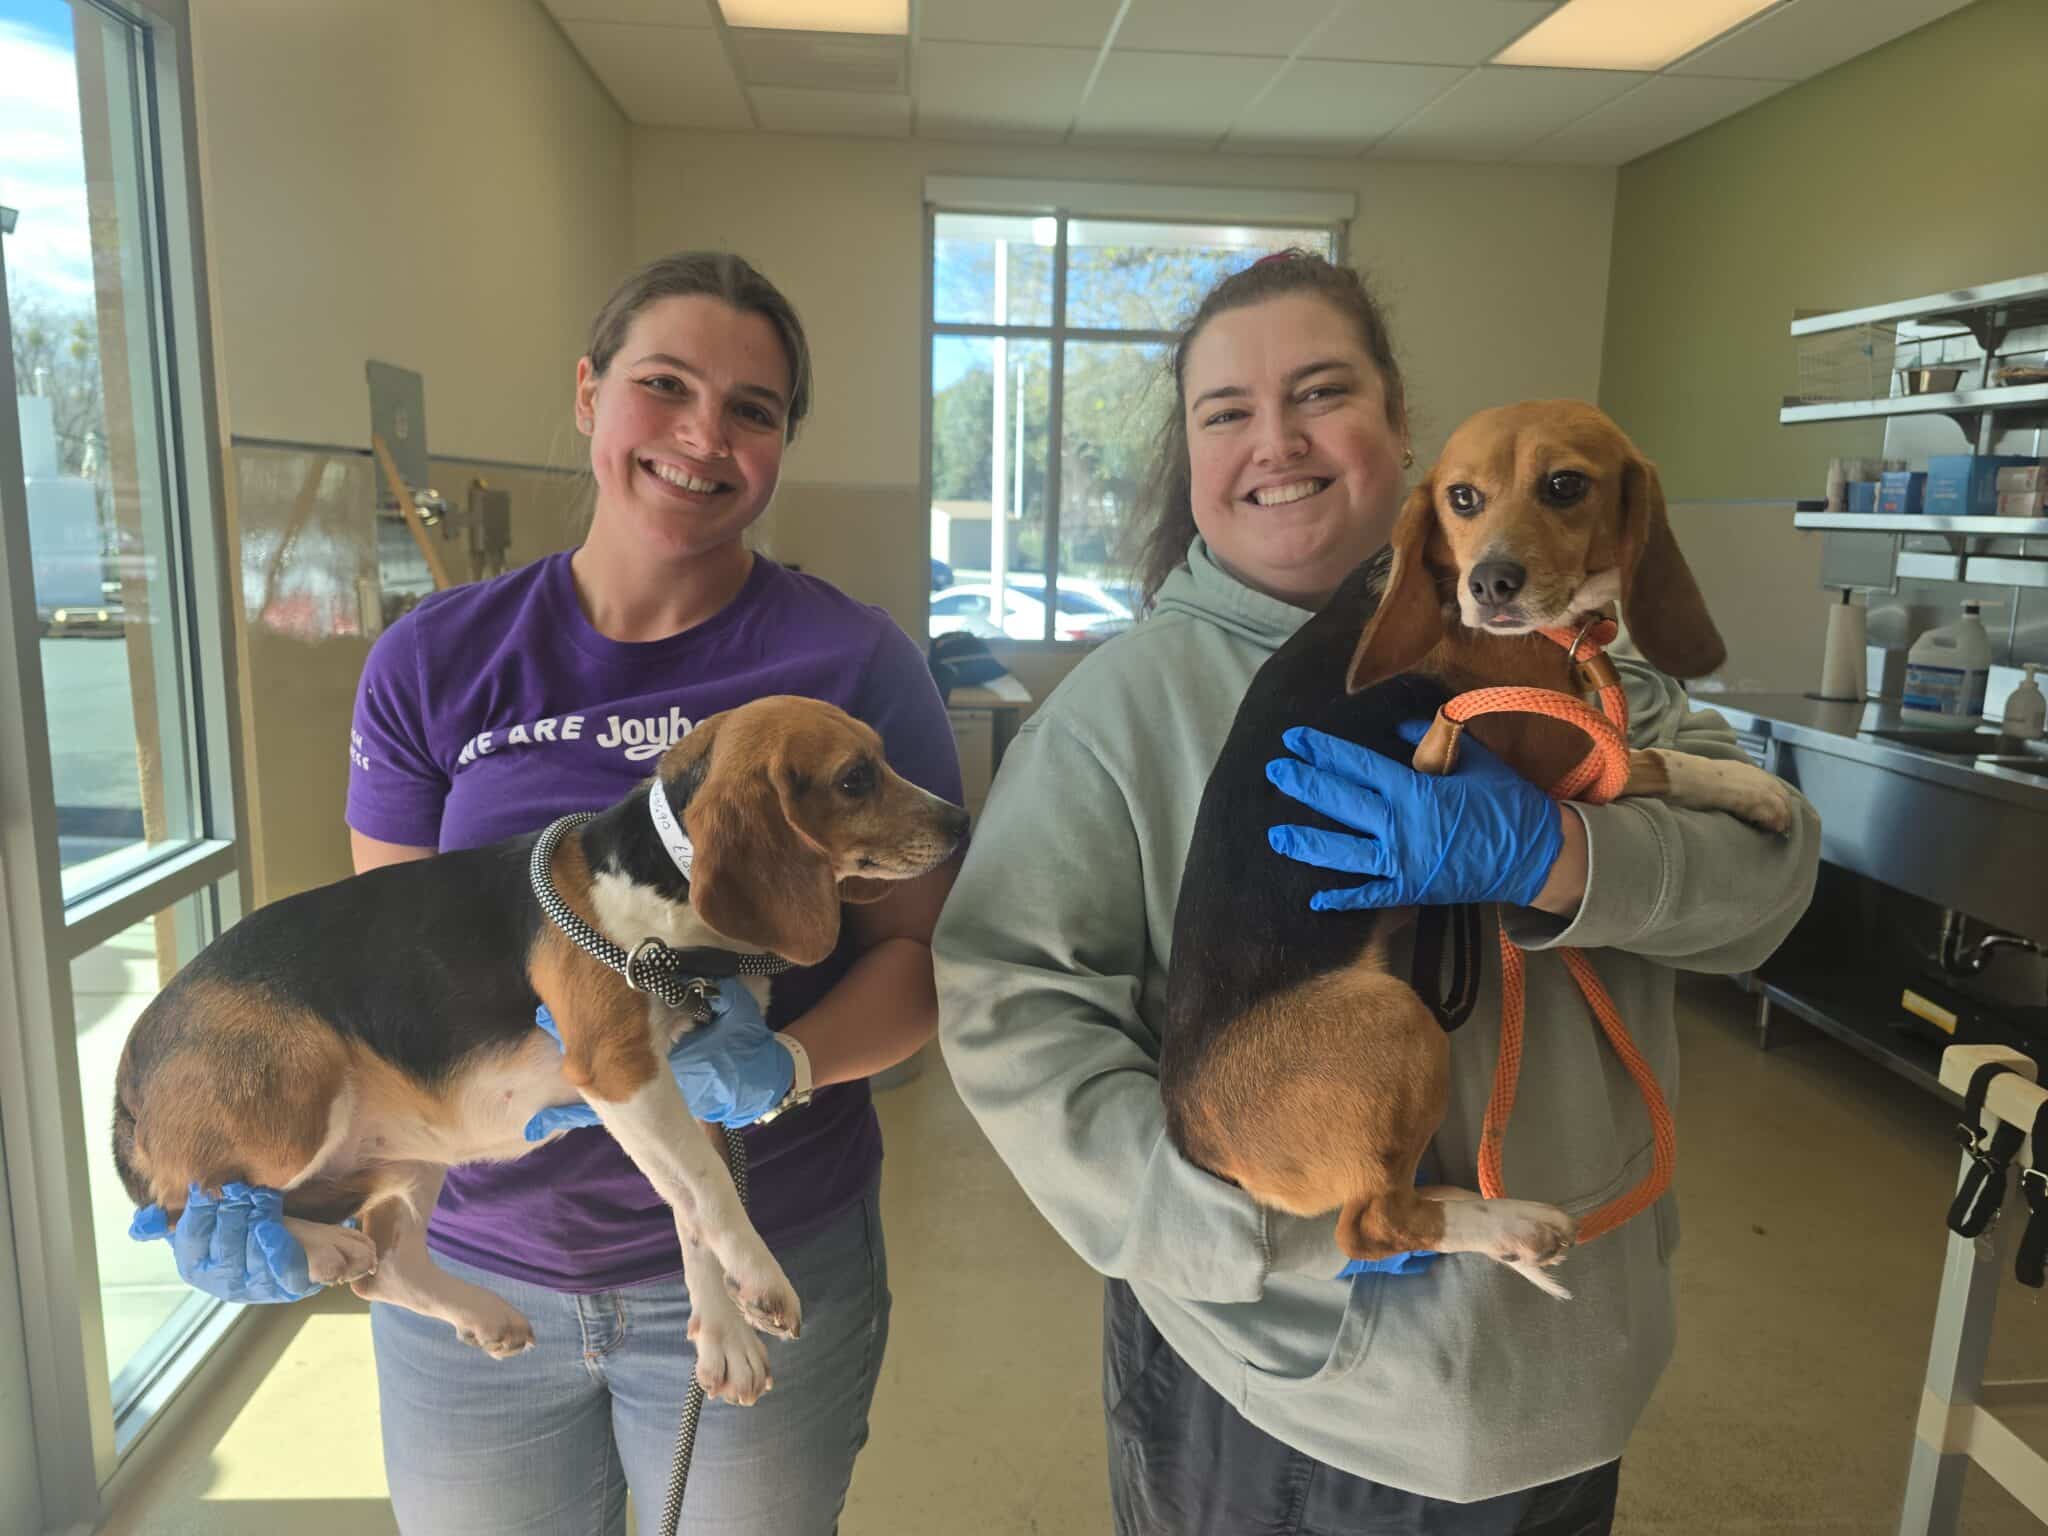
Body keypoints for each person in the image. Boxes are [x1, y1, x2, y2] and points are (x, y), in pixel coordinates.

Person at [932, 251, 1820, 1535]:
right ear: (1190, 458)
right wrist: (1230, 1229)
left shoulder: (1587, 661)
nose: (1275, 442)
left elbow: (1774, 889)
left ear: (1399, 425)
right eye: (1223, 411)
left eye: (1320, 393)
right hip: (1274, 1384)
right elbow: (1006, 1008)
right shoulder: (1117, 712)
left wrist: (1563, 861)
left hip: (1565, 1366)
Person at [136, 252, 962, 1534]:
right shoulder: (436, 659)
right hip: (482, 1256)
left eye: (754, 408)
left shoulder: (849, 666)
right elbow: (390, 974)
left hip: (772, 1236)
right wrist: (319, 1195)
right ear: (588, 396)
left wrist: (784, 1064)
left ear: (784, 441)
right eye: (663, 385)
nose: (702, 436)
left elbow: (918, 968)